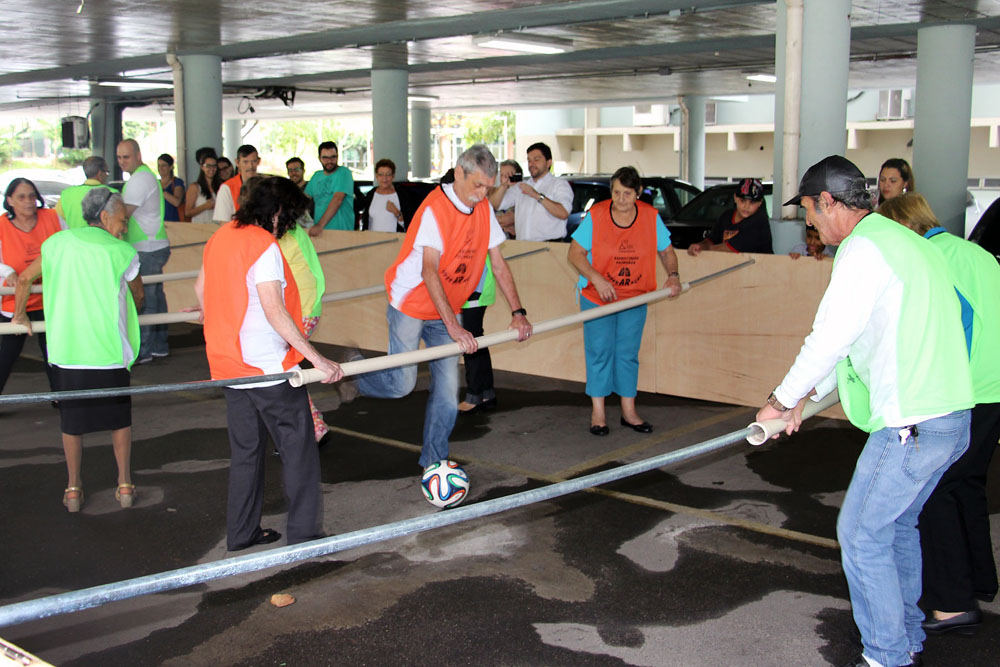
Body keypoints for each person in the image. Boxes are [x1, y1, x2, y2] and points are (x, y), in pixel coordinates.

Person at [757, 155, 974, 667]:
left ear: (829, 203)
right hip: (950, 417)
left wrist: (780, 400)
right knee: (895, 527)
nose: (808, 223)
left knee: (859, 535)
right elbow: (860, 340)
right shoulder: (903, 241)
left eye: (809, 210)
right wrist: (805, 398)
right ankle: (907, 640)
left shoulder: (862, 250)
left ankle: (885, 657)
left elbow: (830, 337)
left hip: (912, 423)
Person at [354, 144, 532, 472]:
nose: (482, 194)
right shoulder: (435, 209)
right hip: (410, 303)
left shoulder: (482, 209)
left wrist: (518, 312)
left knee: (448, 392)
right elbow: (429, 271)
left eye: (488, 188)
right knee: (401, 385)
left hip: (446, 309)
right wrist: (454, 326)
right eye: (477, 185)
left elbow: (498, 263)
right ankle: (356, 377)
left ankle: (434, 461)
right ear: (459, 173)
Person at [194, 176, 342, 551]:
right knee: (299, 450)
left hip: (228, 366)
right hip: (268, 368)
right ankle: (306, 535)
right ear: (276, 212)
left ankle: (242, 533)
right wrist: (318, 360)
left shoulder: (221, 236)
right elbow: (276, 311)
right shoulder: (264, 245)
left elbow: (201, 291)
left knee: (246, 453)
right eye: (287, 215)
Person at [877, 192, 1000, 637]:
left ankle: (952, 603)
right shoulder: (974, 252)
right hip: (994, 386)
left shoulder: (932, 259)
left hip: (966, 388)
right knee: (967, 485)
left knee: (934, 493)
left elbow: (957, 325)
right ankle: (981, 580)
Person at [12, 188, 144, 512]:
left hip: (67, 350)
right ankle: (124, 484)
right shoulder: (122, 251)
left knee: (71, 422)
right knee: (119, 420)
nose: (124, 227)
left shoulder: (55, 243)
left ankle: (73, 488)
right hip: (110, 350)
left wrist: (19, 314)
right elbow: (138, 296)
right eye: (122, 220)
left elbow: (25, 279)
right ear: (104, 216)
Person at [568, 166, 682, 435]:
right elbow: (575, 254)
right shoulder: (596, 216)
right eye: (616, 192)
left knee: (627, 355)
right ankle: (598, 413)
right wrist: (597, 278)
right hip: (597, 297)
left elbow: (667, 252)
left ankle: (629, 411)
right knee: (599, 353)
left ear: (639, 193)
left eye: (627, 194)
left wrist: (674, 276)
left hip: (634, 297)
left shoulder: (650, 217)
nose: (620, 199)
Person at [240, 175, 331, 444]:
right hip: (303, 307)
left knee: (280, 370)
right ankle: (312, 428)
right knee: (282, 368)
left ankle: (307, 429)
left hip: (297, 309)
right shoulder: (285, 230)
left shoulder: (275, 234)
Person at [0, 178, 61, 394]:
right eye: (22, 197)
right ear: (9, 200)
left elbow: (69, 245)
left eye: (32, 196)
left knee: (54, 353)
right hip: (15, 302)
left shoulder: (52, 218)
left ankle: (61, 397)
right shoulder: (1, 225)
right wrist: (8, 272)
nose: (28, 201)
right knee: (5, 356)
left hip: (50, 299)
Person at [117, 139, 170, 363]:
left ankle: (145, 350)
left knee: (146, 298)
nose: (121, 162)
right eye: (119, 157)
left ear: (138, 155)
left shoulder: (139, 180)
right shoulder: (144, 176)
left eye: (125, 157)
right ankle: (158, 346)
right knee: (155, 297)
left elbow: (123, 215)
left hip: (146, 246)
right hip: (153, 244)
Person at [488, 142, 573, 241]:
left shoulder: (559, 185)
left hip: (549, 247)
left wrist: (537, 195)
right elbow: (495, 204)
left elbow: (563, 213)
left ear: (548, 162)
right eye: (529, 160)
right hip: (524, 246)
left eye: (536, 160)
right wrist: (504, 185)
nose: (531, 164)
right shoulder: (521, 186)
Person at [687, 178, 772, 255]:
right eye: (743, 200)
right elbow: (711, 240)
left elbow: (732, 248)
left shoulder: (759, 220)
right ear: (735, 198)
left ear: (759, 203)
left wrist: (707, 249)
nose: (747, 206)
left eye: (752, 203)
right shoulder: (726, 216)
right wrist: (700, 246)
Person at [306, 141, 355, 236]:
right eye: (325, 158)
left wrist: (320, 225)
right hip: (320, 233)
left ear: (337, 157)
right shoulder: (316, 176)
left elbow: (337, 199)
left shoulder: (344, 173)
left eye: (333, 157)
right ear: (319, 158)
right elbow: (303, 199)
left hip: (341, 232)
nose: (329, 161)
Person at [56, 156, 117, 229]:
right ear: (100, 173)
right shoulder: (112, 194)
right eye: (107, 172)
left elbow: (57, 219)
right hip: (101, 240)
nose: (107, 176)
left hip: (73, 239)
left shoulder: (66, 194)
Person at [213, 144, 260, 223]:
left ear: (259, 161)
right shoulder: (227, 188)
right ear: (237, 163)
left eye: (254, 161)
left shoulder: (265, 186)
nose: (250, 166)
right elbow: (224, 223)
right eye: (245, 162)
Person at [362, 158, 405, 232]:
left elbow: (410, 225)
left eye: (388, 174)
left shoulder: (402, 195)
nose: (384, 178)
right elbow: (366, 223)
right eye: (381, 174)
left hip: (395, 241)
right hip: (373, 240)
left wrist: (397, 213)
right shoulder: (370, 195)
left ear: (393, 176)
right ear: (376, 176)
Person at [185, 148, 221, 223]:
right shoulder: (195, 187)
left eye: (214, 166)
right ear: (202, 167)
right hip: (200, 228)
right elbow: (187, 212)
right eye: (208, 166)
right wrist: (205, 206)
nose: (211, 169)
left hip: (216, 228)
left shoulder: (220, 187)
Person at [493, 159, 522, 237]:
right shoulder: (496, 191)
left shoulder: (520, 192)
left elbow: (506, 220)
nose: (505, 178)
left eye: (508, 175)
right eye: (502, 175)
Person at [157, 153, 185, 222]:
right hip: (158, 224)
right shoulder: (156, 183)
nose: (160, 168)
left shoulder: (177, 182)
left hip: (174, 223)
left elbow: (177, 202)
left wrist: (162, 191)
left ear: (171, 167)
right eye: (159, 165)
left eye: (163, 165)